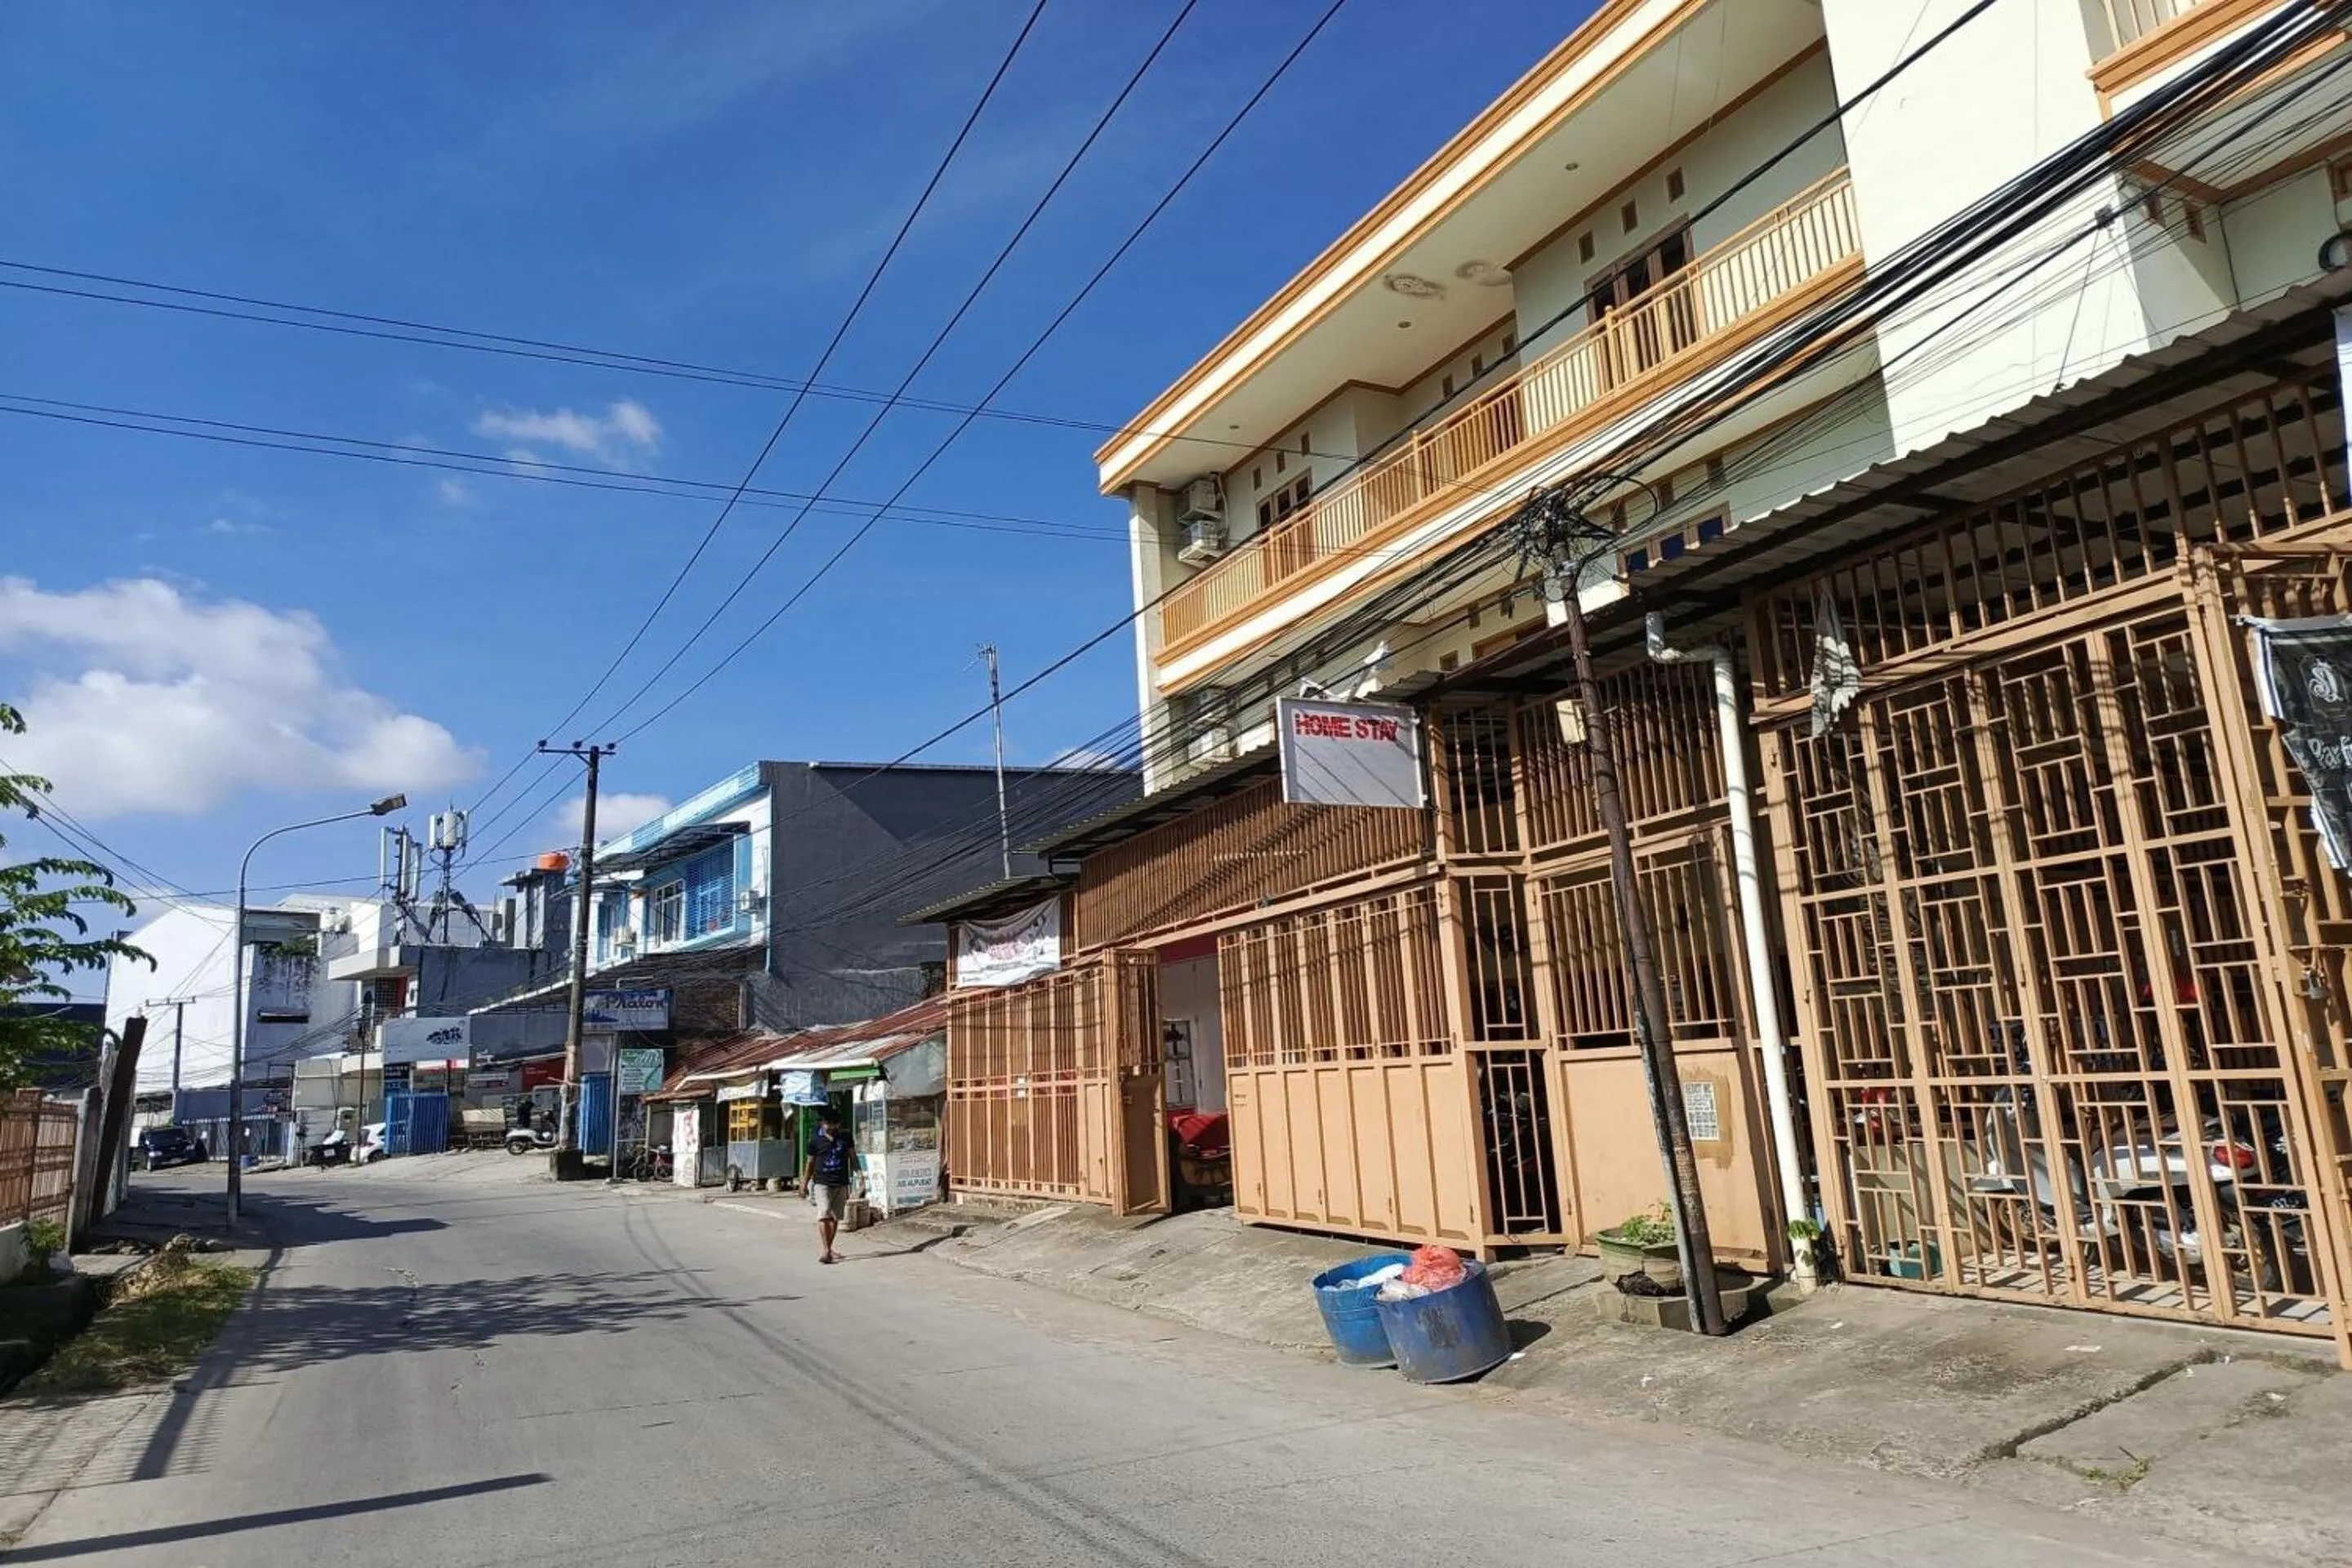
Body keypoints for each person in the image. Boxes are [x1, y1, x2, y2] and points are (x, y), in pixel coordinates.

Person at [801, 1106, 860, 1265]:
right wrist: (804, 1183)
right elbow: (810, 1164)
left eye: (835, 1124)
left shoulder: (845, 1137)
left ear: (839, 1124)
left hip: (841, 1182)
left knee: (835, 1217)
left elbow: (853, 1157)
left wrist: (860, 1177)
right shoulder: (815, 1140)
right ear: (822, 1123)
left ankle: (829, 1247)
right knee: (824, 1213)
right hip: (822, 1183)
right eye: (828, 1124)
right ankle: (826, 1250)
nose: (832, 1127)